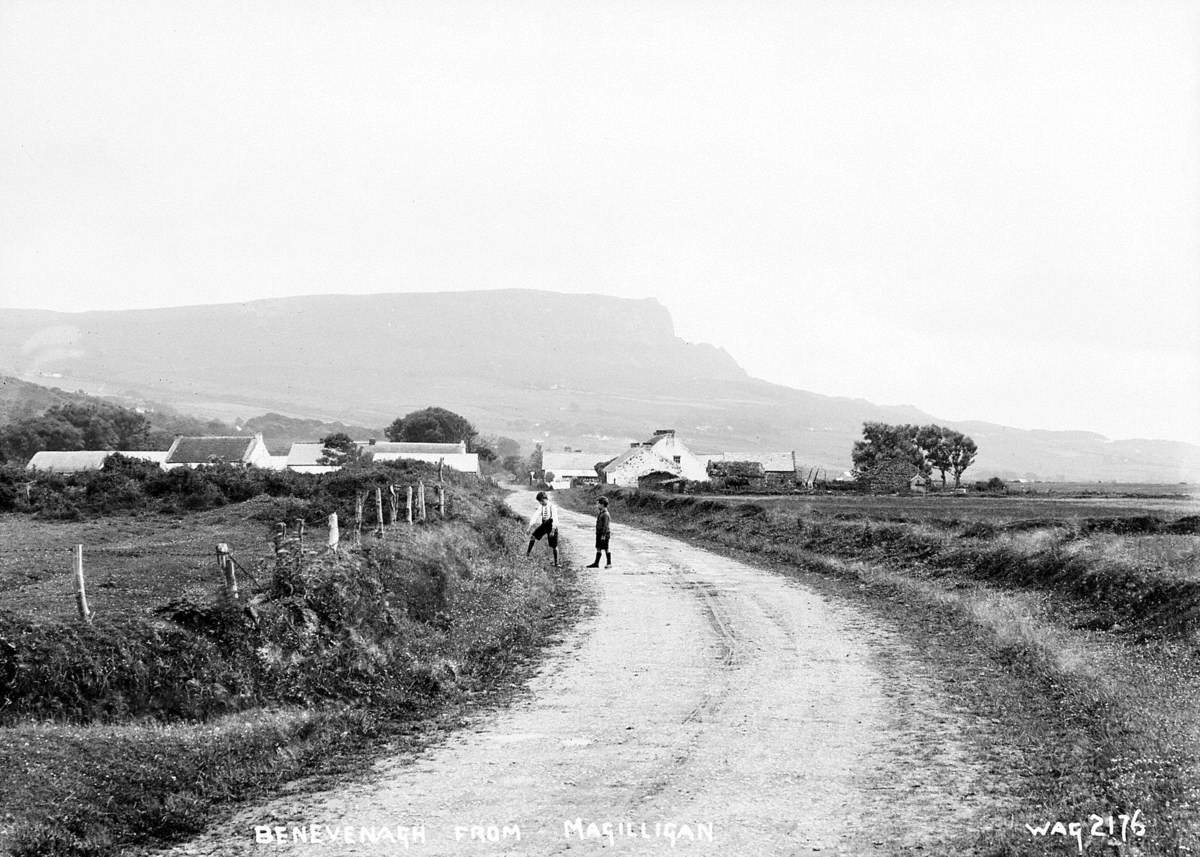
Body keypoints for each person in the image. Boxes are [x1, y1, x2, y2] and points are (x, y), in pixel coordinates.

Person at [526, 490, 559, 567]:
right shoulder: (541, 507)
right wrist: (529, 527)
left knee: (554, 545)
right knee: (533, 536)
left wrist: (553, 531)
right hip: (544, 525)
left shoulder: (552, 507)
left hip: (551, 526)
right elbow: (535, 516)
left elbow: (555, 520)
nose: (541, 503)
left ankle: (556, 563)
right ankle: (527, 554)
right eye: (539, 502)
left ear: (545, 498)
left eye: (541, 501)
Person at [585, 496, 612, 568]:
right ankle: (596, 563)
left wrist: (603, 535)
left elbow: (606, 526)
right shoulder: (601, 513)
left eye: (598, 504)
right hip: (599, 534)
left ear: (602, 504)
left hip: (604, 534)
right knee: (598, 547)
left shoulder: (605, 514)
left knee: (606, 548)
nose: (597, 506)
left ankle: (609, 563)